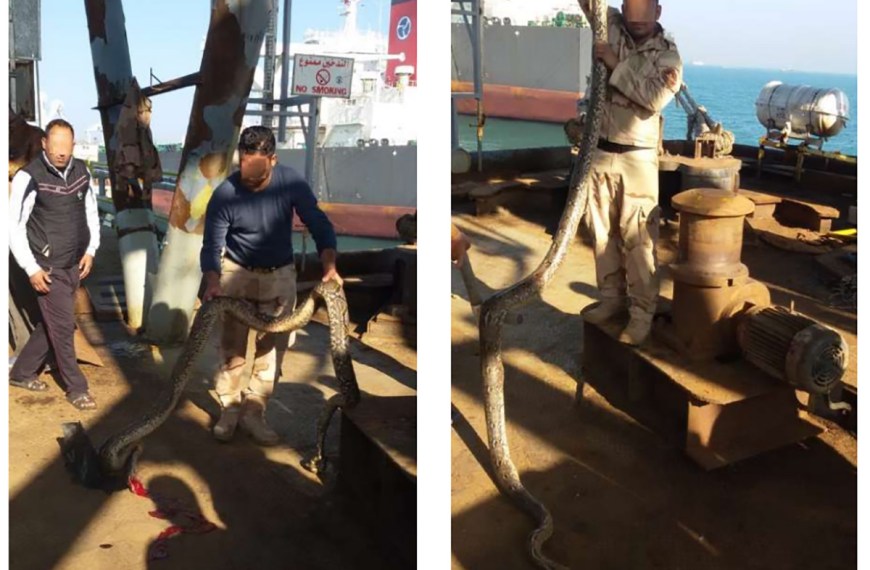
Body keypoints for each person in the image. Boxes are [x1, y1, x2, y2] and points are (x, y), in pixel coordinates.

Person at [200, 126, 340, 446]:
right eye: (243, 168)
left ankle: (255, 412)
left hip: (279, 275)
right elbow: (211, 245)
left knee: (272, 348)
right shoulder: (225, 193)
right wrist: (212, 280)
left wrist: (329, 263)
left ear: (273, 160)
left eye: (257, 171)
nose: (249, 178)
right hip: (237, 273)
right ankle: (230, 408)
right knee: (231, 346)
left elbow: (317, 223)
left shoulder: (290, 183)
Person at [577, 0, 682, 345]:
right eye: (631, 19)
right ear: (622, 9)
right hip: (601, 150)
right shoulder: (610, 24)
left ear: (658, 13)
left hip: (638, 159)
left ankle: (640, 317)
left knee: (638, 240)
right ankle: (611, 301)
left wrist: (613, 62)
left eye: (643, 22)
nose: (636, 26)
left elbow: (651, 100)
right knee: (602, 232)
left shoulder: (669, 58)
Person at [8, 118, 101, 410]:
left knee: (52, 324)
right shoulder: (29, 177)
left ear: (73, 145)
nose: (61, 151)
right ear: (45, 144)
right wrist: (31, 268)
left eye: (66, 145)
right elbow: (14, 227)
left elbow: (91, 211)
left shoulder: (81, 172)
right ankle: (77, 388)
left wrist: (92, 249)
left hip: (74, 262)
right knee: (62, 328)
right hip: (46, 266)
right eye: (55, 144)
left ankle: (21, 373)